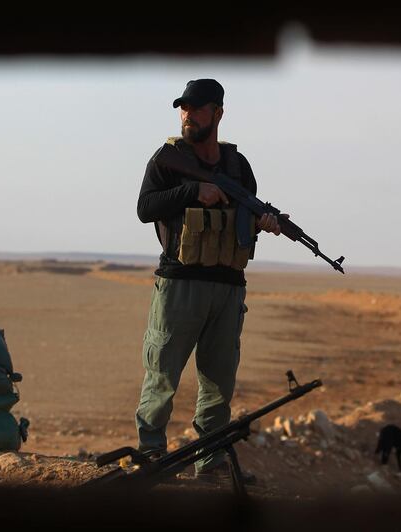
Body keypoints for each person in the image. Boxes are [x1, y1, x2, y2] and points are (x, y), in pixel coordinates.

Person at [134, 79, 283, 481]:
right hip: (180, 283)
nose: (187, 114)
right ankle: (151, 458)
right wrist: (192, 191)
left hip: (228, 286)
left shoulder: (238, 166)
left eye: (196, 108)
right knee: (162, 374)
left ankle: (212, 463)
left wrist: (263, 222)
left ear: (218, 113)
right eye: (183, 107)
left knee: (219, 384)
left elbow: (243, 219)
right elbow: (145, 207)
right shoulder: (168, 159)